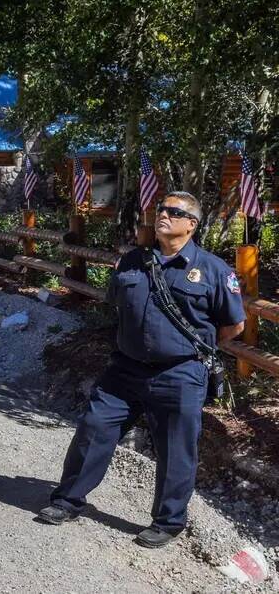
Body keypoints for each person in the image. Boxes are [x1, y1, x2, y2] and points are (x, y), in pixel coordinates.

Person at [38, 191, 244, 549]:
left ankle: (168, 522)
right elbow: (118, 306)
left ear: (191, 225)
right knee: (94, 427)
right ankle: (67, 500)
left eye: (173, 211)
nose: (162, 214)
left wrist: (185, 350)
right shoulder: (132, 261)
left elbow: (232, 327)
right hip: (126, 369)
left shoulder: (213, 270)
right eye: (161, 208)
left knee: (176, 449)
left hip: (180, 373)